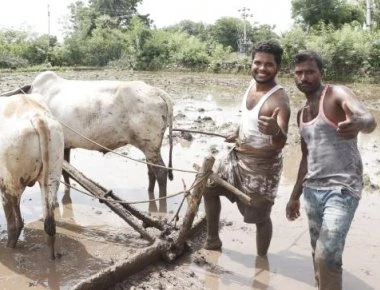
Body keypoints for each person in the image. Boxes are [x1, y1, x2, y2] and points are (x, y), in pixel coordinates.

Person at [286, 51, 377, 290]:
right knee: (319, 252)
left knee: (326, 256)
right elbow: (306, 157)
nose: (303, 77)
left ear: (321, 73)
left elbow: (367, 118)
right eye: (299, 73)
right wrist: (294, 195)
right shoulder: (301, 113)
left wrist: (360, 123)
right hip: (312, 191)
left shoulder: (336, 94)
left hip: (342, 189)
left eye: (310, 71)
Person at [203, 40, 291, 257]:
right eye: (257, 63)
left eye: (268, 64)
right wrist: (237, 132)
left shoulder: (279, 100)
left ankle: (262, 259)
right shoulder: (251, 86)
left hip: (262, 166)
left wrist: (274, 131)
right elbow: (247, 119)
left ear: (277, 68)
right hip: (239, 155)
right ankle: (212, 240)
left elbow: (280, 143)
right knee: (208, 187)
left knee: (260, 216)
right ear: (251, 63)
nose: (262, 68)